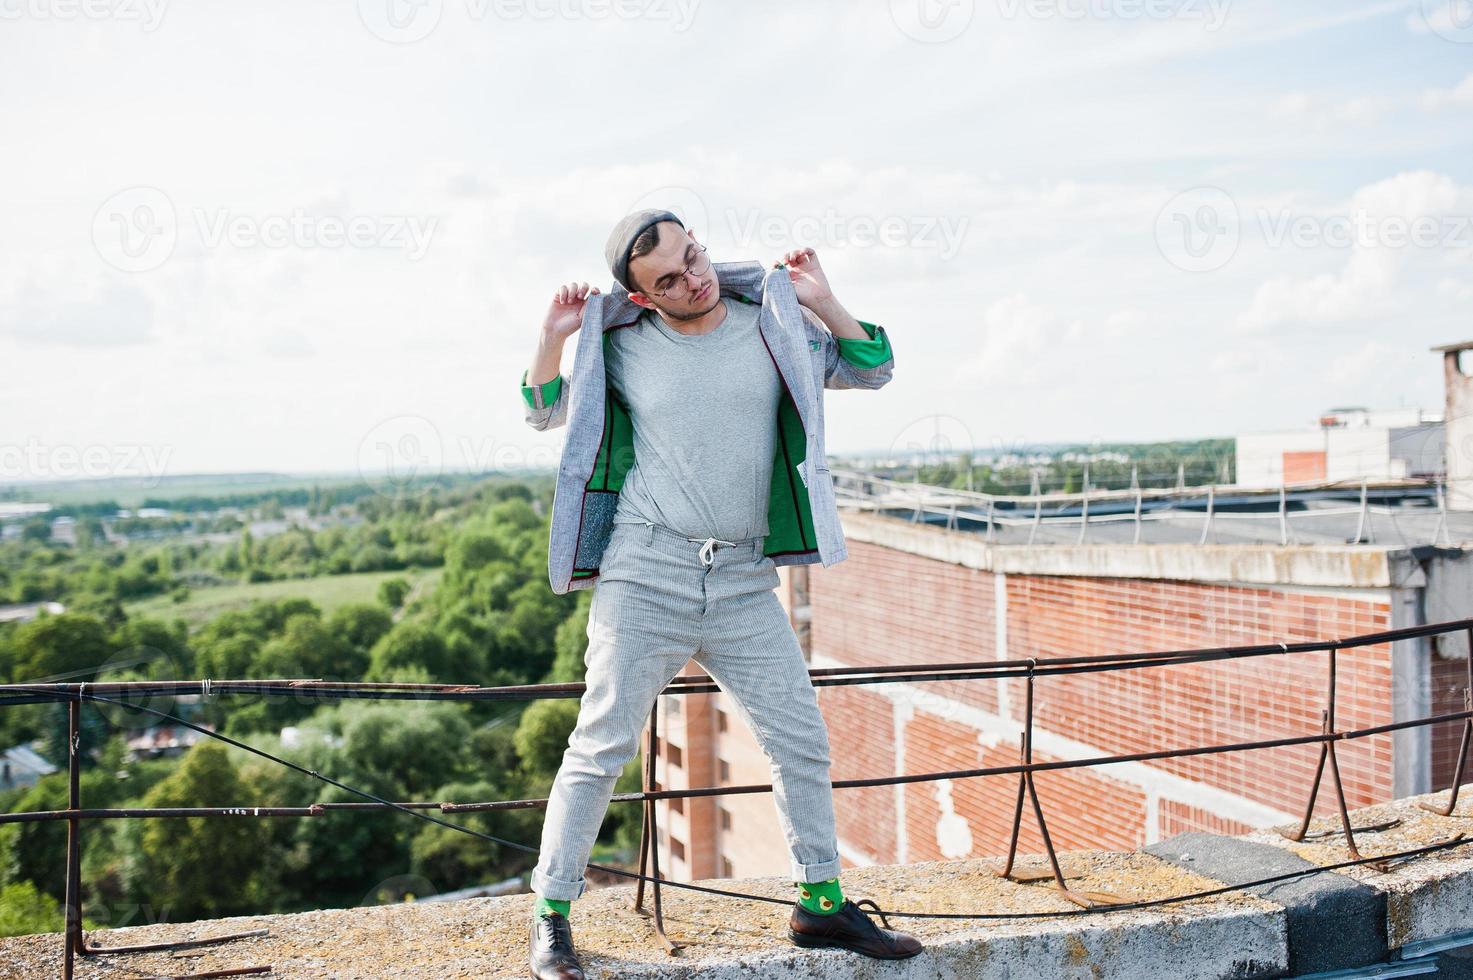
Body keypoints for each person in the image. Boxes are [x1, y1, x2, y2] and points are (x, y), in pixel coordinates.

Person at [519, 209, 922, 979]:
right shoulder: (622, 347)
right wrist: (553, 337)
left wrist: (822, 299)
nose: (692, 278)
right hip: (646, 570)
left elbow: (871, 366)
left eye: (692, 256)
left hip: (741, 577)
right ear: (640, 298)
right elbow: (543, 410)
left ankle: (822, 906)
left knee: (799, 739)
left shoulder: (770, 323)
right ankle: (551, 913)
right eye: (667, 278)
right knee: (600, 744)